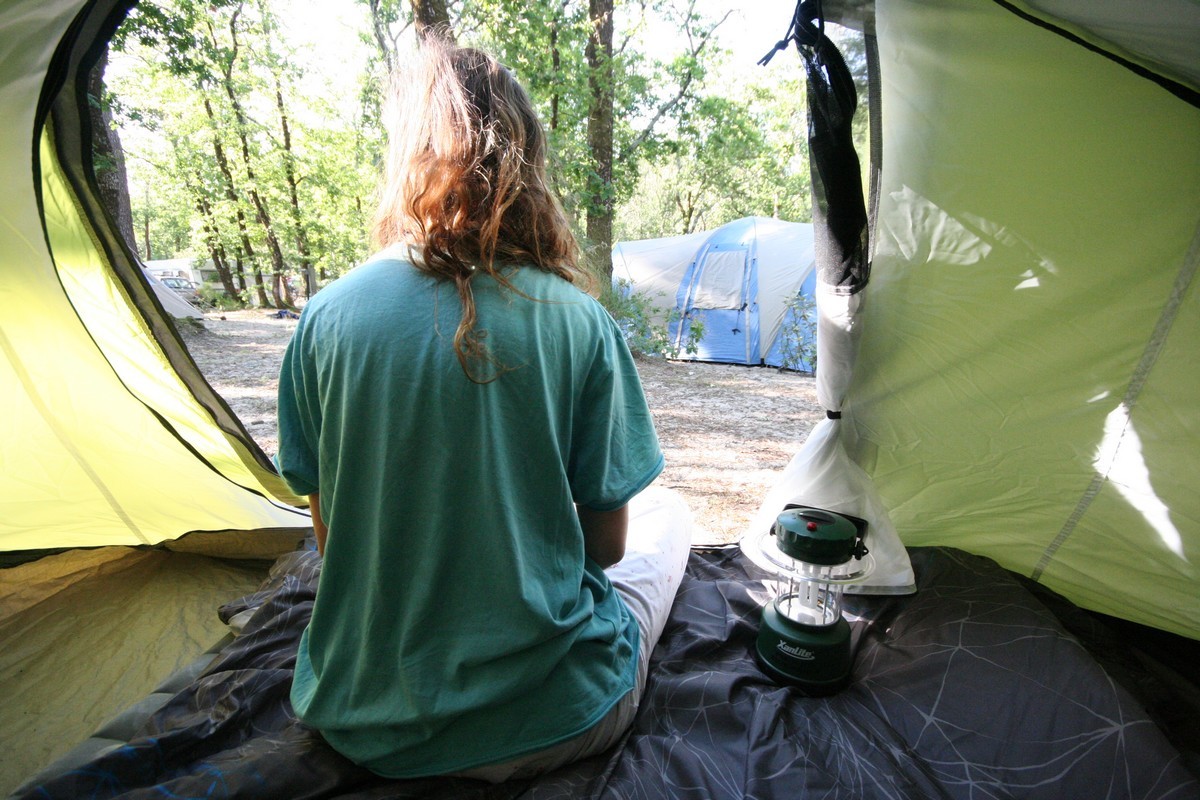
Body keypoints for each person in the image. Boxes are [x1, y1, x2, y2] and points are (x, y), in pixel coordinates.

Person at [275, 40, 691, 783]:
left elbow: (333, 541)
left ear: (406, 157)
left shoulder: (325, 317)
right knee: (671, 519)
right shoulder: (577, 320)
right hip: (558, 715)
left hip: (358, 717)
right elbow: (605, 549)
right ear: (527, 159)